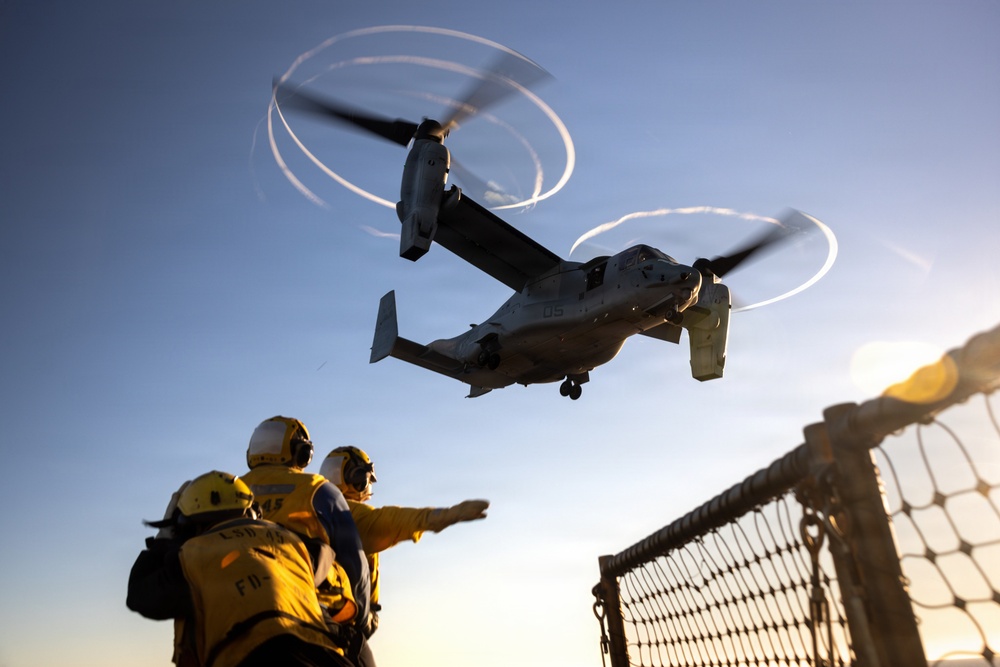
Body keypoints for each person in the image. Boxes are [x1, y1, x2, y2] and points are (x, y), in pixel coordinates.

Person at [126, 470, 352, 667]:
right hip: (326, 657)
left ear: (185, 525)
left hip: (247, 659)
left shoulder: (190, 556)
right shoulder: (295, 544)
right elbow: (333, 575)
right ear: (253, 510)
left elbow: (141, 595)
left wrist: (164, 539)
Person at [319, 446, 489, 640]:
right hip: (345, 618)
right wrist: (445, 515)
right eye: (364, 478)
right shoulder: (349, 514)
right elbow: (397, 519)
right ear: (358, 480)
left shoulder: (313, 507)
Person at [241, 417, 371, 662]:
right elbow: (355, 562)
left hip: (235, 611)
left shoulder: (232, 490)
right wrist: (361, 618)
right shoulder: (319, 490)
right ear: (303, 453)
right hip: (308, 610)